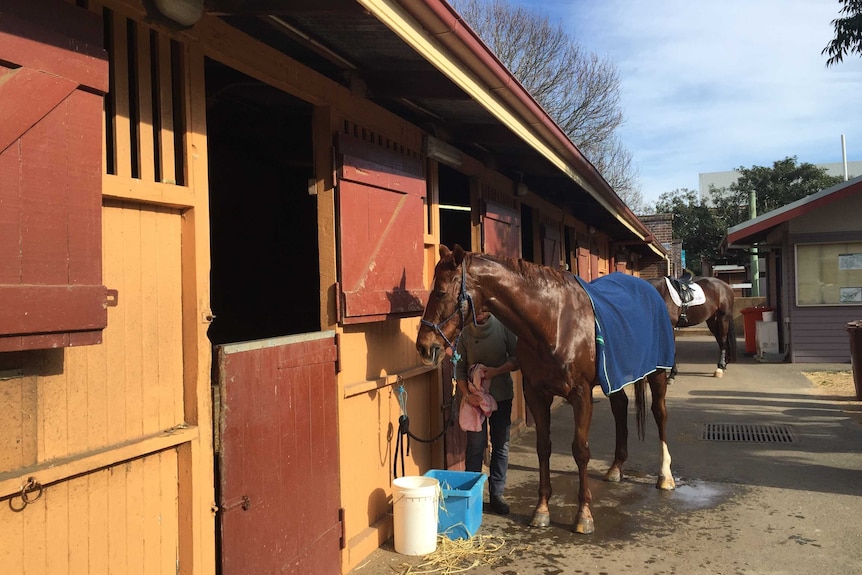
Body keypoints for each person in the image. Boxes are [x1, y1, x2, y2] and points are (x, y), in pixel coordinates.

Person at [454, 309, 518, 515]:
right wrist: (467, 395)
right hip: (475, 401)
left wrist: (497, 371)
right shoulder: (465, 332)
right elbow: (460, 368)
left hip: (502, 396)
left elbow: (517, 358)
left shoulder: (503, 326)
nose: (479, 313)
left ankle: (497, 495)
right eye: (476, 309)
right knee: (475, 447)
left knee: (501, 445)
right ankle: (472, 497)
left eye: (483, 308)